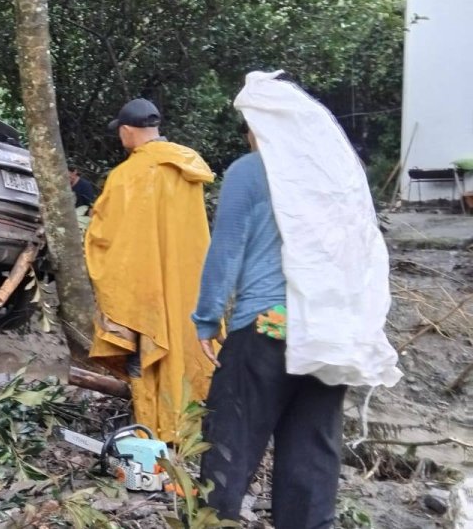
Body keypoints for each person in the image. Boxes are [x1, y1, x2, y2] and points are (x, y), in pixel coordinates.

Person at [195, 72, 401, 527]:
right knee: (312, 457)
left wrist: (207, 319)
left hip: (267, 329)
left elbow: (226, 248)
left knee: (231, 443)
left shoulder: (250, 170)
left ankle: (215, 523)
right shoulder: (338, 177)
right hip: (328, 332)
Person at [83, 98, 216, 442]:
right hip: (186, 285)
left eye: (120, 133)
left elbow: (104, 238)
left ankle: (151, 440)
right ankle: (184, 436)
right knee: (183, 355)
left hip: (141, 291)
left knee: (144, 358)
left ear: (127, 132)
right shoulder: (188, 171)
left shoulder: (126, 176)